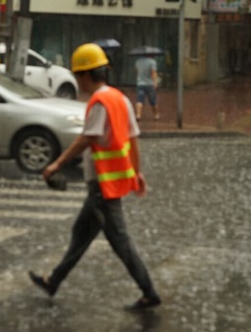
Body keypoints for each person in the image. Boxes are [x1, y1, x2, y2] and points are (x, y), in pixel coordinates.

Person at [30, 43, 162, 311]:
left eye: (78, 75)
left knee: (120, 242)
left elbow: (87, 139)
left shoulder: (100, 102)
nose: (77, 81)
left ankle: (149, 293)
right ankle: (53, 280)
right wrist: (138, 173)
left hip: (104, 186)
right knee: (81, 232)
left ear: (88, 75)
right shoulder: (120, 99)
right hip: (104, 184)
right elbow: (133, 140)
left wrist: (57, 164)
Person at [134, 55, 160, 121]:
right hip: (150, 84)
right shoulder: (152, 62)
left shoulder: (138, 61)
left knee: (139, 100)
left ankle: (138, 115)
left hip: (140, 83)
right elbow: (153, 72)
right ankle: (156, 115)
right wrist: (155, 82)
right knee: (153, 101)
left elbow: (137, 71)